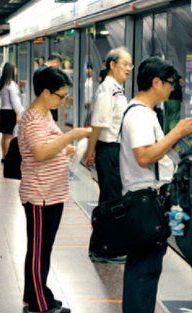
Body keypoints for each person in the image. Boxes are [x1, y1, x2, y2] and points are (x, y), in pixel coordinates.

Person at [119, 57, 192, 313]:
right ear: (156, 82)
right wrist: (177, 133)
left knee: (147, 270)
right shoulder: (139, 114)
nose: (173, 88)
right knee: (143, 272)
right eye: (170, 83)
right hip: (144, 205)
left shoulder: (144, 112)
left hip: (147, 203)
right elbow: (144, 157)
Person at [18, 67, 91, 313]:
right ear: (46, 93)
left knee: (43, 249)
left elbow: (47, 146)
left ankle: (38, 294)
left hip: (51, 194)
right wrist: (71, 136)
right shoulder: (34, 118)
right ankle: (38, 305)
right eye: (61, 96)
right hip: (41, 196)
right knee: (39, 251)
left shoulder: (45, 114)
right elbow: (39, 152)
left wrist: (66, 149)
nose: (63, 100)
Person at [83, 47, 132, 264]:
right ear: (112, 65)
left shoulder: (117, 89)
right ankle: (102, 248)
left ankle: (102, 245)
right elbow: (97, 124)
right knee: (110, 200)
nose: (129, 69)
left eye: (130, 65)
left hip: (115, 150)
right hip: (108, 149)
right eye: (125, 64)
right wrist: (90, 152)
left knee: (111, 198)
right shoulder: (107, 90)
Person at [0, 62, 22, 160]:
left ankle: (4, 156)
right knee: (9, 136)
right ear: (11, 71)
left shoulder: (2, 83)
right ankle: (7, 157)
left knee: (4, 136)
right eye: (15, 69)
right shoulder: (11, 84)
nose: (16, 71)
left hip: (3, 110)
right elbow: (14, 100)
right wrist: (17, 113)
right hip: (10, 111)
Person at [33, 53, 64, 121]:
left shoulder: (38, 70)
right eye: (57, 65)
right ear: (54, 62)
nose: (57, 67)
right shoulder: (48, 72)